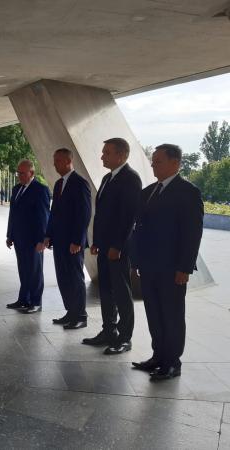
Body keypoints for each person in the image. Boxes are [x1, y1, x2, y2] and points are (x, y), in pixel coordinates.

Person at [132, 144, 203, 381]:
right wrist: (137, 261)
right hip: (149, 266)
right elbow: (140, 229)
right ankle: (158, 356)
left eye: (158, 161)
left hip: (172, 269)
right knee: (154, 313)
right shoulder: (148, 192)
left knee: (171, 315)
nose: (153, 165)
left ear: (175, 163)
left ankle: (172, 362)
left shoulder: (188, 192)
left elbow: (192, 234)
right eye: (152, 161)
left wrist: (184, 268)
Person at [83, 138, 142, 354]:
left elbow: (128, 218)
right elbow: (102, 215)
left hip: (118, 249)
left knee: (122, 293)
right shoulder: (108, 178)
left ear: (121, 155)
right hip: (105, 247)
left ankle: (125, 338)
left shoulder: (130, 179)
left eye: (106, 152)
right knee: (106, 291)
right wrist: (97, 241)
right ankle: (109, 331)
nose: (102, 156)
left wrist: (117, 246)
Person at [38, 148, 91, 329]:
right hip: (59, 241)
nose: (54, 164)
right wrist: (48, 235)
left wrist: (78, 240)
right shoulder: (59, 184)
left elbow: (84, 214)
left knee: (75, 278)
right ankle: (71, 312)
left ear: (68, 161)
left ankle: (81, 316)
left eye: (57, 160)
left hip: (73, 243)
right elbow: (54, 213)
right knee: (63, 278)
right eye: (54, 160)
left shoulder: (80, 183)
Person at [6, 160, 50, 313]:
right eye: (18, 173)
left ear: (32, 173)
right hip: (19, 238)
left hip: (34, 240)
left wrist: (42, 240)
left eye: (22, 173)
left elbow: (44, 217)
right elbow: (13, 214)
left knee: (35, 272)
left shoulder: (40, 190)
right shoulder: (16, 189)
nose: (19, 176)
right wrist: (9, 235)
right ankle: (23, 300)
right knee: (23, 270)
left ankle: (36, 302)